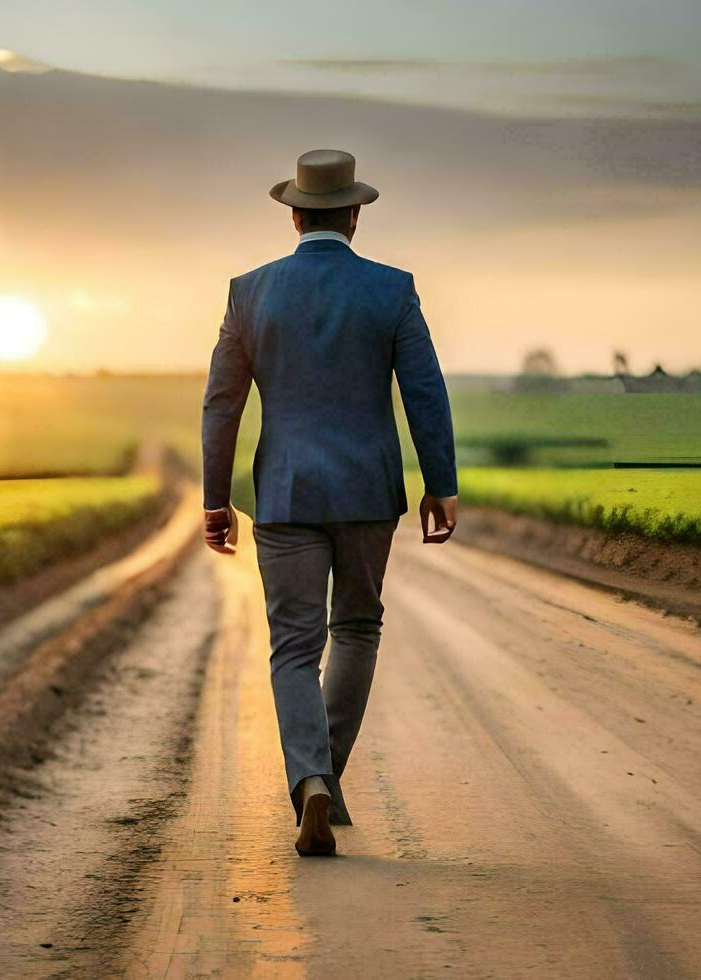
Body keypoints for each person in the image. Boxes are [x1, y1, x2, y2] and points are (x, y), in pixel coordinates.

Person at [201, 148, 458, 857]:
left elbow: (223, 402)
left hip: (284, 493)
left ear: (293, 214)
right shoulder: (393, 290)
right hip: (369, 490)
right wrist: (441, 483)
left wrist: (215, 500)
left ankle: (310, 778)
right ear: (353, 214)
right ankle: (325, 777)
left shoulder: (249, 292)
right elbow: (425, 392)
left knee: (293, 644)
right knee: (357, 629)